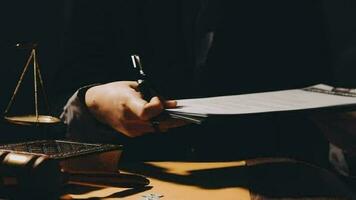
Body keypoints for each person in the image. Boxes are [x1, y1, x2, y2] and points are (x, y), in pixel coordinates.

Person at [56, 0, 356, 182]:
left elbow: (315, 103)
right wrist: (94, 100)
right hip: (139, 179)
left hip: (267, 181)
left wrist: (343, 140)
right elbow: (61, 95)